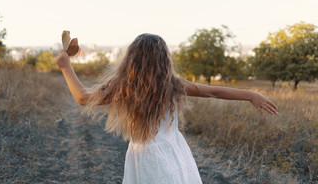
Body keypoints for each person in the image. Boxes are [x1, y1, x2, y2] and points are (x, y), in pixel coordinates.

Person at [55, 33, 278, 184]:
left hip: (145, 155)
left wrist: (66, 67)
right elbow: (212, 91)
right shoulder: (172, 83)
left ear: (130, 60)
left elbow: (83, 98)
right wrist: (251, 95)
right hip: (175, 151)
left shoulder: (124, 86)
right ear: (164, 59)